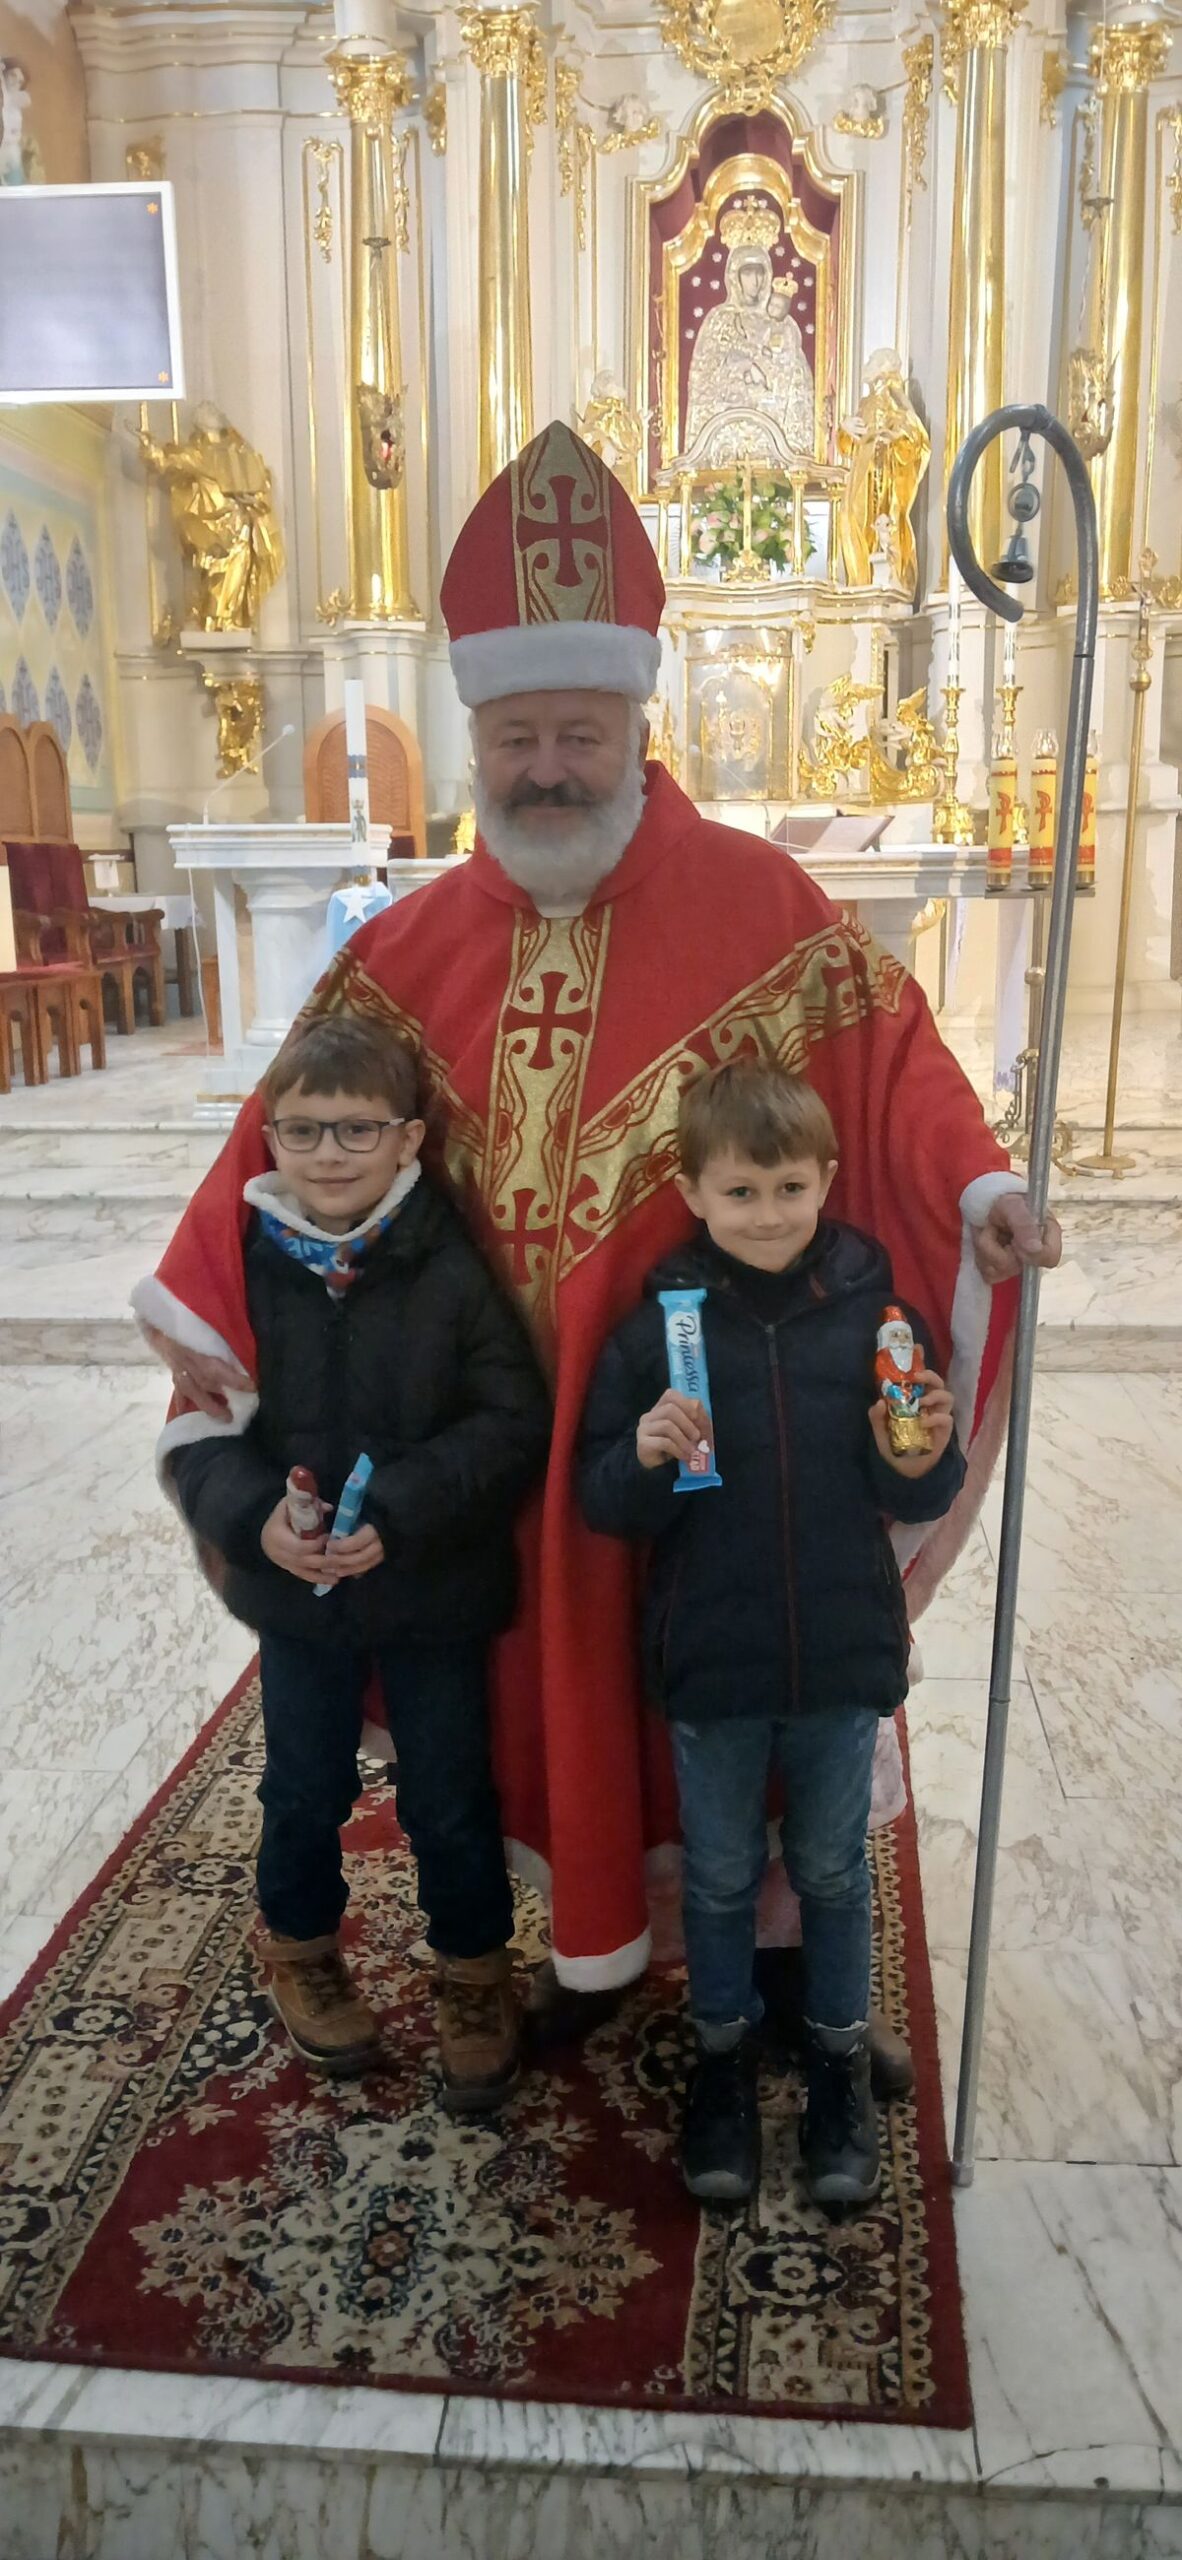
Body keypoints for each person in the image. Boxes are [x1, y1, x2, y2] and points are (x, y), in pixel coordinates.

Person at [134, 417, 1060, 2021]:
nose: (547, 767)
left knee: (731, 1672)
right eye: (516, 736)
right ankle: (537, 1935)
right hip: (476, 1439)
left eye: (580, 730)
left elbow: (893, 1065)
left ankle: (764, 1956)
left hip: (707, 1428)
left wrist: (975, 1189)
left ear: (639, 722)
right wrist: (207, 1310)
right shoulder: (400, 951)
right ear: (476, 735)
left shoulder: (763, 906)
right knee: (485, 1700)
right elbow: (284, 1140)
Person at [577, 1059, 964, 2209]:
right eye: (740, 1192)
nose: (767, 1213)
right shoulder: (659, 1330)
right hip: (713, 1654)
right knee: (721, 1872)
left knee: (835, 1868)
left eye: (789, 1187)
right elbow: (604, 1500)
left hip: (842, 1650)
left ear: (827, 1179)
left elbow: (920, 1480)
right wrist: (645, 1454)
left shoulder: (878, 1318)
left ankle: (838, 2065)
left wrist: (917, 1454)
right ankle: (722, 2061)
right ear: (692, 1191)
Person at [164, 1014, 550, 2110]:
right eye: (302, 1130)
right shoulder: (245, 1268)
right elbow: (199, 1434)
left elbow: (512, 1418)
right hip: (299, 1599)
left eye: (356, 1129)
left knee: (449, 1791)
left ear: (409, 1139)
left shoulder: (451, 1266)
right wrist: (257, 1522)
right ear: (270, 1137)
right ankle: (300, 1946)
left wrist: (406, 1508)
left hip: (432, 1588)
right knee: (301, 1784)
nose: (328, 1153)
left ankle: (473, 1971)